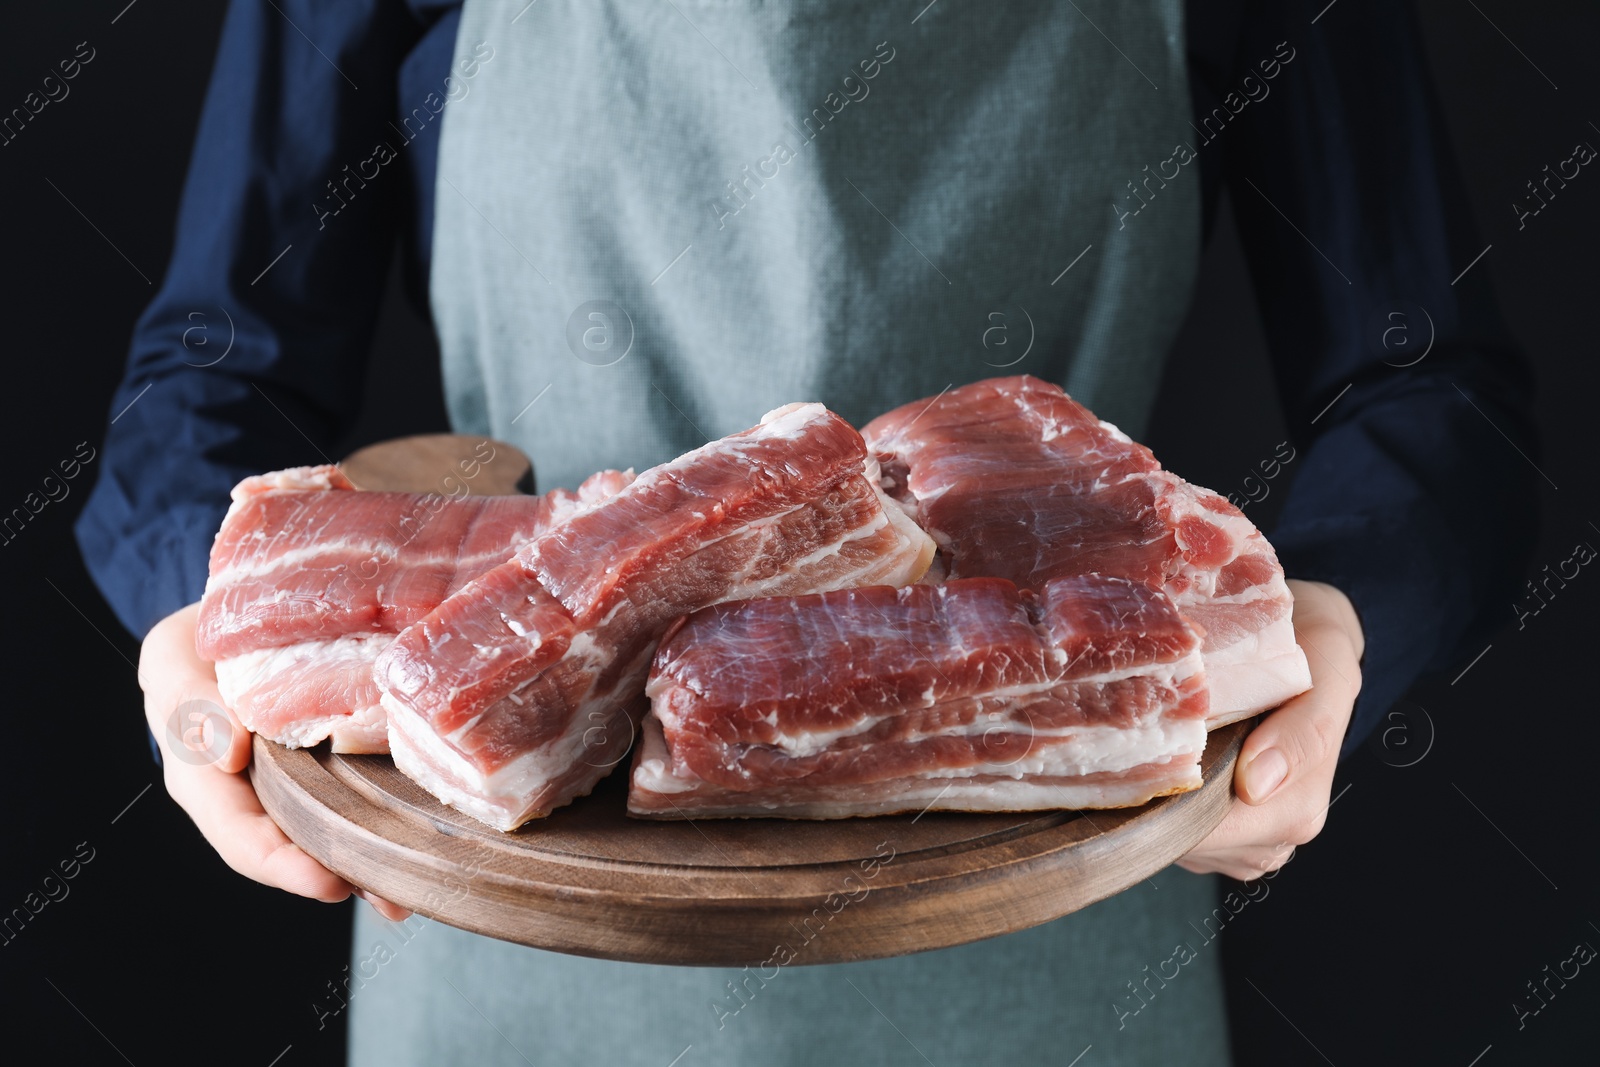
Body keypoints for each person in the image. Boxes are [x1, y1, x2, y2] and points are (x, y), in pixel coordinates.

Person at [78, 1, 1536, 1063]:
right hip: (510, 930)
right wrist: (201, 626)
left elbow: (1425, 379)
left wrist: (1338, 623)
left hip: (1053, 890)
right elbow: (218, 363)